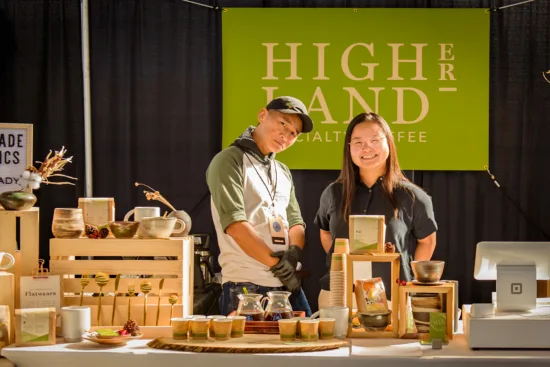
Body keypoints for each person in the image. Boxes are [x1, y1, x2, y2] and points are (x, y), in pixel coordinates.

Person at [314, 112, 437, 309]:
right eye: (358, 142)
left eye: (374, 140)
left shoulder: (412, 196)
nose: (366, 148)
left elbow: (427, 241)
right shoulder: (333, 193)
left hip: (391, 295)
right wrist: (340, 261)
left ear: (388, 142)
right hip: (338, 296)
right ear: (349, 148)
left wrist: (409, 279)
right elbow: (325, 231)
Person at [206, 96, 313, 317]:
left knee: (302, 348)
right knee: (251, 350)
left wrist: (293, 255)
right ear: (262, 115)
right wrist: (279, 267)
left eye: (294, 133)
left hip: (285, 285)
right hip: (245, 286)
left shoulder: (282, 170)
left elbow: (296, 222)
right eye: (283, 123)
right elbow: (235, 226)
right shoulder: (229, 160)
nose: (287, 134)